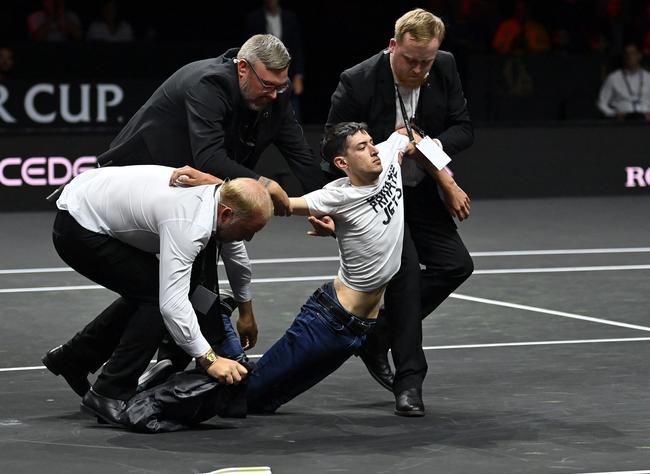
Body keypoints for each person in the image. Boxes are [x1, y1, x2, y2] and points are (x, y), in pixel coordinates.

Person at [158, 122, 429, 418]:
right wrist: (215, 185)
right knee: (239, 399)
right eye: (361, 147)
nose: (373, 150)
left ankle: (221, 336)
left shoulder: (387, 155)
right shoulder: (335, 197)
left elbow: (406, 133)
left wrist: (426, 150)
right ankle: (162, 398)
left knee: (262, 404)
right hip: (328, 321)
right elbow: (279, 205)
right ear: (342, 163)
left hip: (357, 332)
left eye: (371, 142)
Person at [41, 165, 273, 426]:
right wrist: (209, 360)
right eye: (249, 230)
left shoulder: (219, 199)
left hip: (92, 200)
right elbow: (172, 305)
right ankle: (109, 393)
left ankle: (74, 357)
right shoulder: (189, 224)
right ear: (227, 214)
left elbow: (237, 257)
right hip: (78, 227)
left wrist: (246, 312)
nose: (250, 238)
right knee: (155, 297)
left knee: (147, 289)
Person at [326, 8, 474, 416]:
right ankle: (409, 383)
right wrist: (382, 149)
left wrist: (423, 146)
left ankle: (378, 333)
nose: (419, 69)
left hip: (420, 191)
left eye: (427, 61)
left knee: (456, 265)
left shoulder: (443, 68)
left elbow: (463, 128)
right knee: (406, 276)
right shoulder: (357, 81)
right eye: (411, 60)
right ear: (393, 46)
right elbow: (333, 146)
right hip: (378, 198)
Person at [95, 33, 323, 215]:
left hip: (186, 182)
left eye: (280, 86)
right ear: (242, 67)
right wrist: (264, 185)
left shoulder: (276, 95)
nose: (274, 95)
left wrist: (326, 209)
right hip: (136, 177)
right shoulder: (209, 85)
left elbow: (301, 156)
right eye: (267, 84)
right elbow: (210, 158)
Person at [245, 0, 306, 120]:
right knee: (262, 112)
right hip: (263, 71)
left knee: (291, 114)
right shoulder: (254, 18)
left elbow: (297, 48)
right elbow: (249, 49)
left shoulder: (289, 18)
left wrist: (298, 76)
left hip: (287, 72)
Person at [596, 42, 650, 121]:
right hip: (622, 122)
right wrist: (613, 114)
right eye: (626, 54)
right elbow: (601, 103)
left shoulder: (648, 77)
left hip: (646, 122)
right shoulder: (613, 78)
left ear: (639, 55)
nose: (629, 56)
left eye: (632, 53)